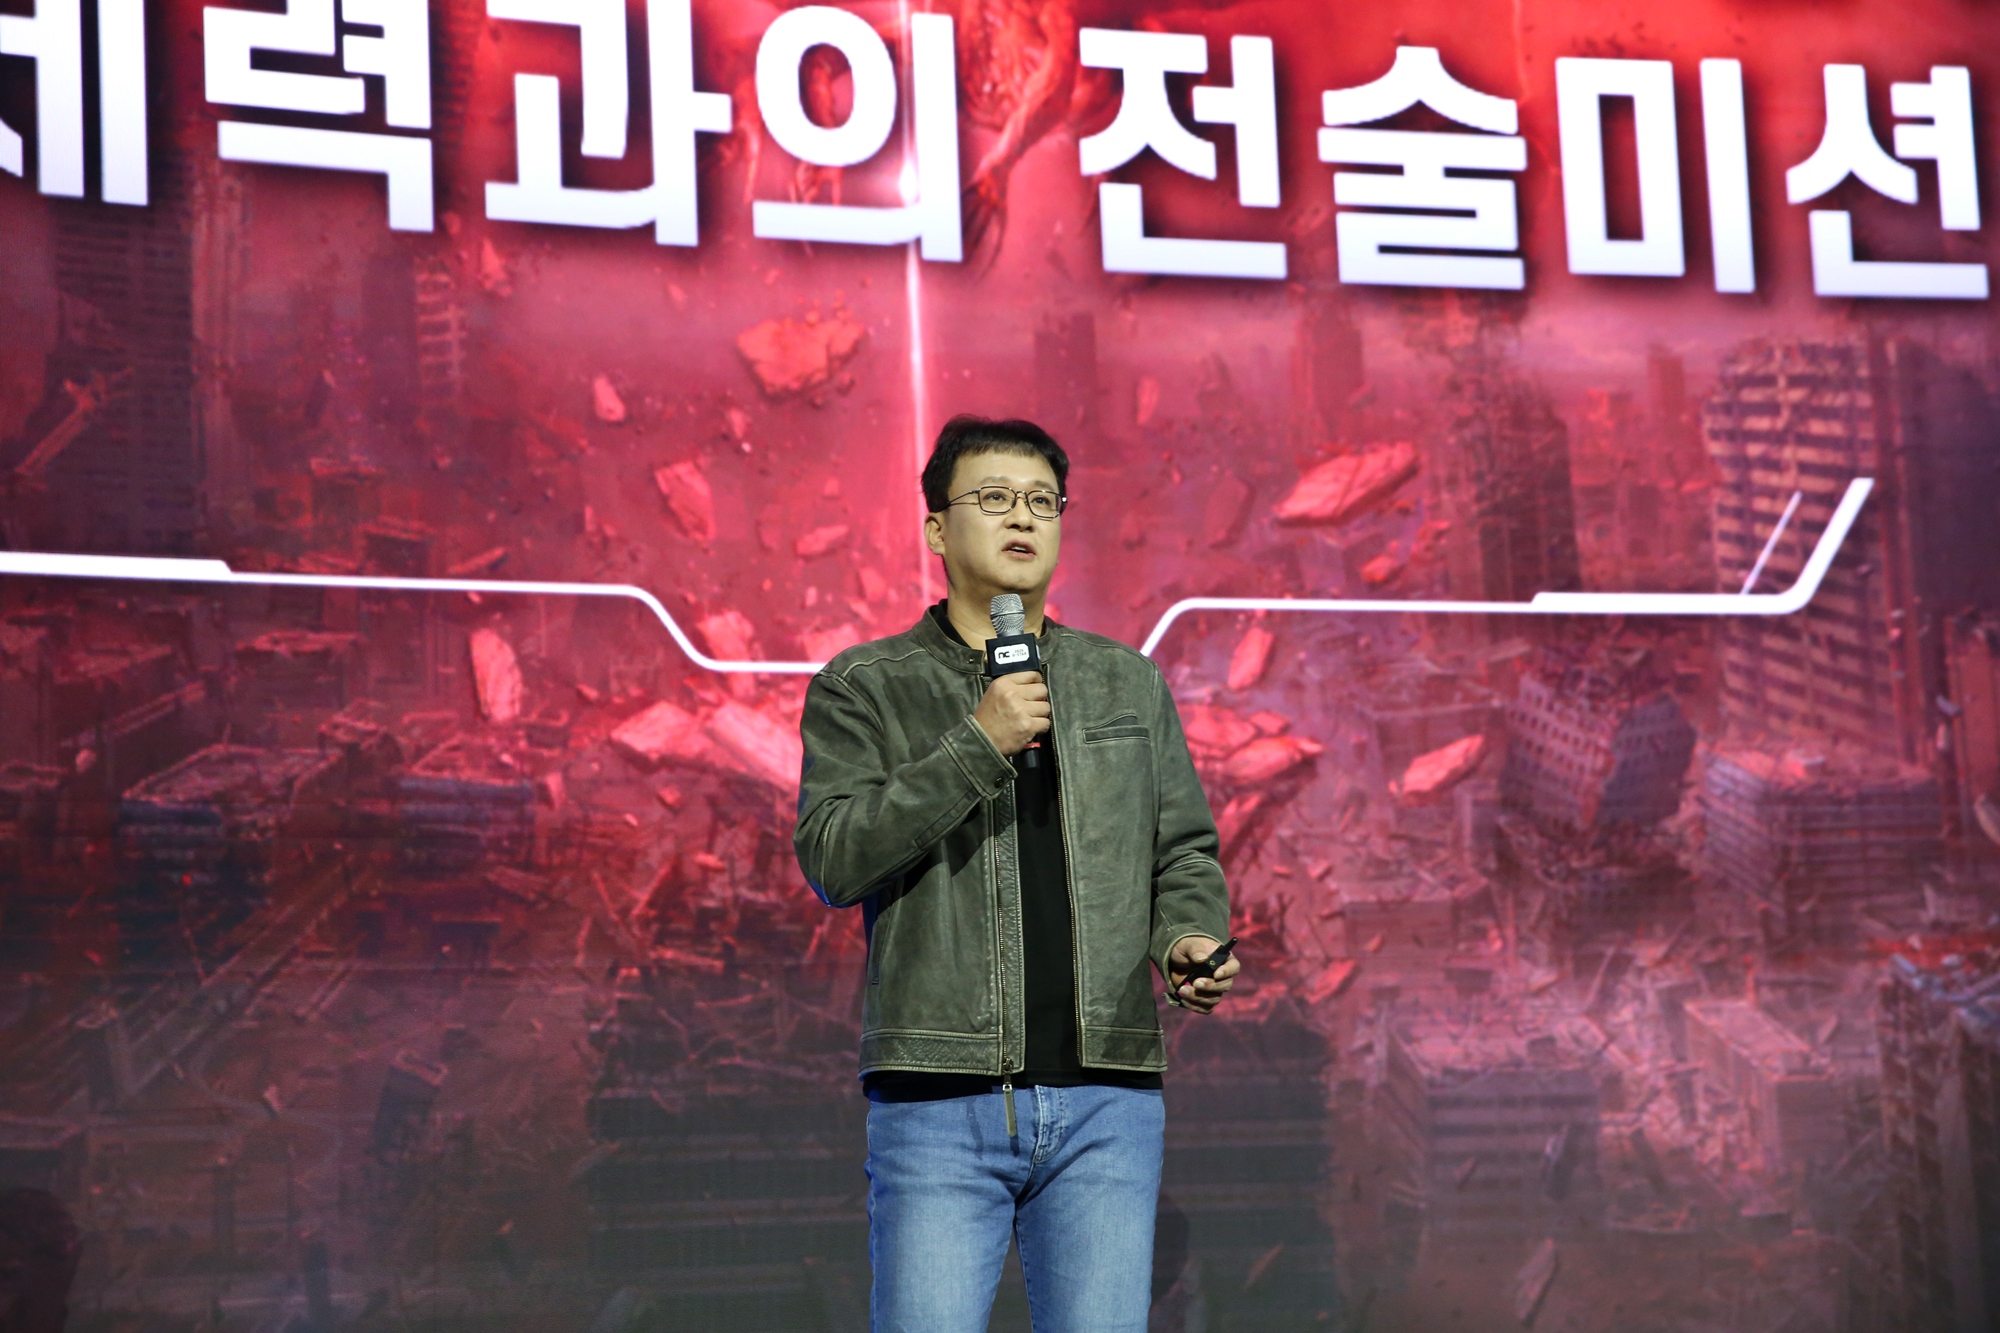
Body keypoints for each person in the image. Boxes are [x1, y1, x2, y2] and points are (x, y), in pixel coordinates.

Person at [794, 415, 1240, 1332]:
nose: (1023, 517)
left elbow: (1182, 851)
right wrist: (978, 742)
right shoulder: (866, 685)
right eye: (994, 497)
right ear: (936, 528)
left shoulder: (1125, 681)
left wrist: (1187, 938)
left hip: (1107, 1101)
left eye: (1043, 500)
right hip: (938, 1099)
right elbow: (834, 856)